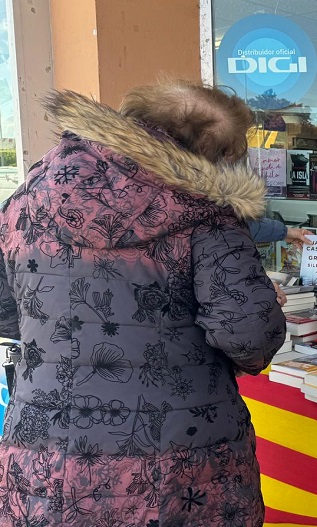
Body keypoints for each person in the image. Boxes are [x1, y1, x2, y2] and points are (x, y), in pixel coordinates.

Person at [0, 80, 287, 526]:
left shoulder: (28, 197)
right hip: (178, 459)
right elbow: (251, 337)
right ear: (216, 155)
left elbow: (6, 309)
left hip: (46, 454)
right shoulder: (207, 213)